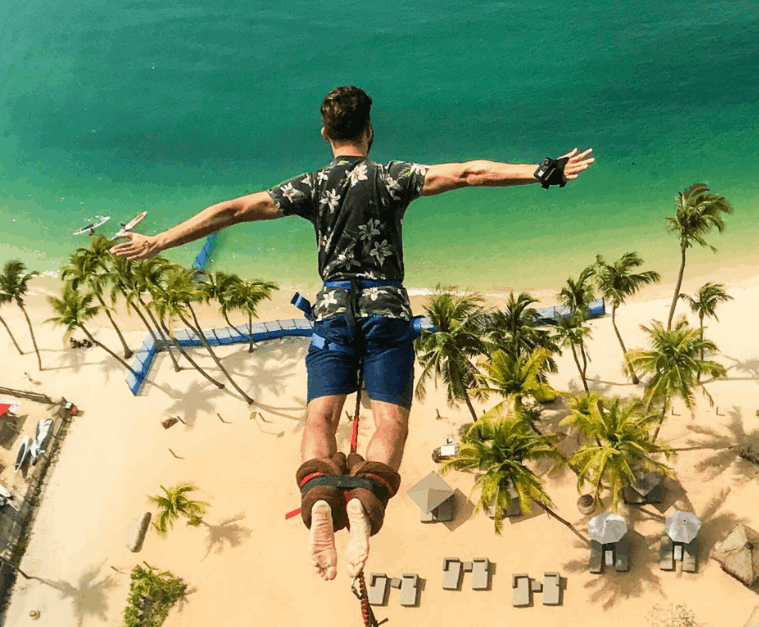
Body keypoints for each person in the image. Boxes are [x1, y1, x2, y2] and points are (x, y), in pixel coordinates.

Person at [111, 85, 595, 583]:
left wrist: (159, 241)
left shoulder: (312, 185)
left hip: (332, 311)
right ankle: (366, 500)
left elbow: (232, 209)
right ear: (369, 131)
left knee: (321, 415)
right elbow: (468, 172)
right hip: (386, 311)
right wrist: (542, 170)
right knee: (390, 424)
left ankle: (320, 494)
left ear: (326, 134)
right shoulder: (391, 176)